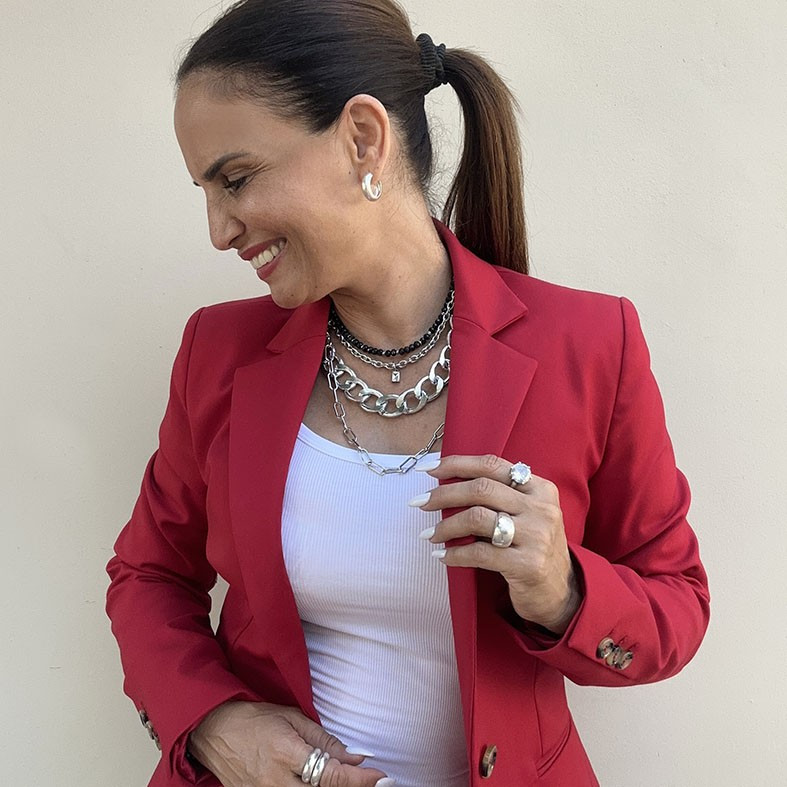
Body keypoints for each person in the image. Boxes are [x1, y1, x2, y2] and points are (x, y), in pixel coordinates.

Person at [105, 1, 710, 785]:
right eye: (206, 190)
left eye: (236, 179)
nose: (219, 229)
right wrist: (216, 725)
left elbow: (675, 607)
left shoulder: (589, 344)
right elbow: (148, 574)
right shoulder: (217, 352)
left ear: (363, 137)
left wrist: (561, 586)